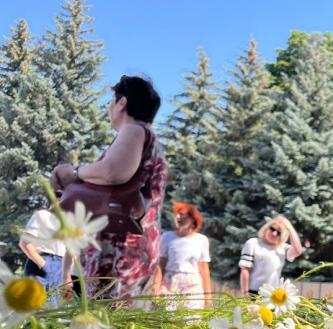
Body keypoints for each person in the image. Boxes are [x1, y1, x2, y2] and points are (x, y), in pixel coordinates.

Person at [51, 75, 167, 302]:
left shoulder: (134, 130)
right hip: (130, 250)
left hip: (118, 252)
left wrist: (74, 173)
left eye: (110, 100)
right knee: (116, 325)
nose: (108, 106)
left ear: (122, 102)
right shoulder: (148, 138)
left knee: (106, 325)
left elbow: (112, 172)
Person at [153, 202, 212, 309]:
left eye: (182, 214)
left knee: (189, 320)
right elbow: (160, 266)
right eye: (177, 214)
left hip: (192, 286)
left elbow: (204, 270)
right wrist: (156, 288)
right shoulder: (167, 237)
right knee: (168, 319)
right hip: (170, 283)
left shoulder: (201, 240)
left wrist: (208, 297)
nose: (178, 217)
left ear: (193, 219)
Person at [239, 216, 304, 296]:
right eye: (272, 229)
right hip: (253, 293)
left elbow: (298, 251)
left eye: (279, 232)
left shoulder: (283, 248)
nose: (274, 233)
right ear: (267, 228)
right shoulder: (253, 243)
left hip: (272, 295)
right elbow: (245, 270)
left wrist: (289, 227)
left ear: (283, 236)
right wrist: (245, 293)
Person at [19, 206, 67, 307]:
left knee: (51, 311)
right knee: (35, 308)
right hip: (42, 261)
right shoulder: (42, 215)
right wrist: (43, 264)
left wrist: (67, 276)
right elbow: (25, 243)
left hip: (60, 266)